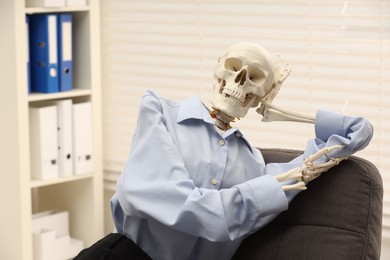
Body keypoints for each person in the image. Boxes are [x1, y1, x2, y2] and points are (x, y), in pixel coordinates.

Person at [75, 43, 373, 260]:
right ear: (218, 69)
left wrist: (280, 111)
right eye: (233, 68)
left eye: (255, 78)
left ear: (262, 97)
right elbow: (180, 205)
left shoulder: (253, 165)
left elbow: (348, 136)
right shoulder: (160, 112)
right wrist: (262, 192)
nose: (240, 81)